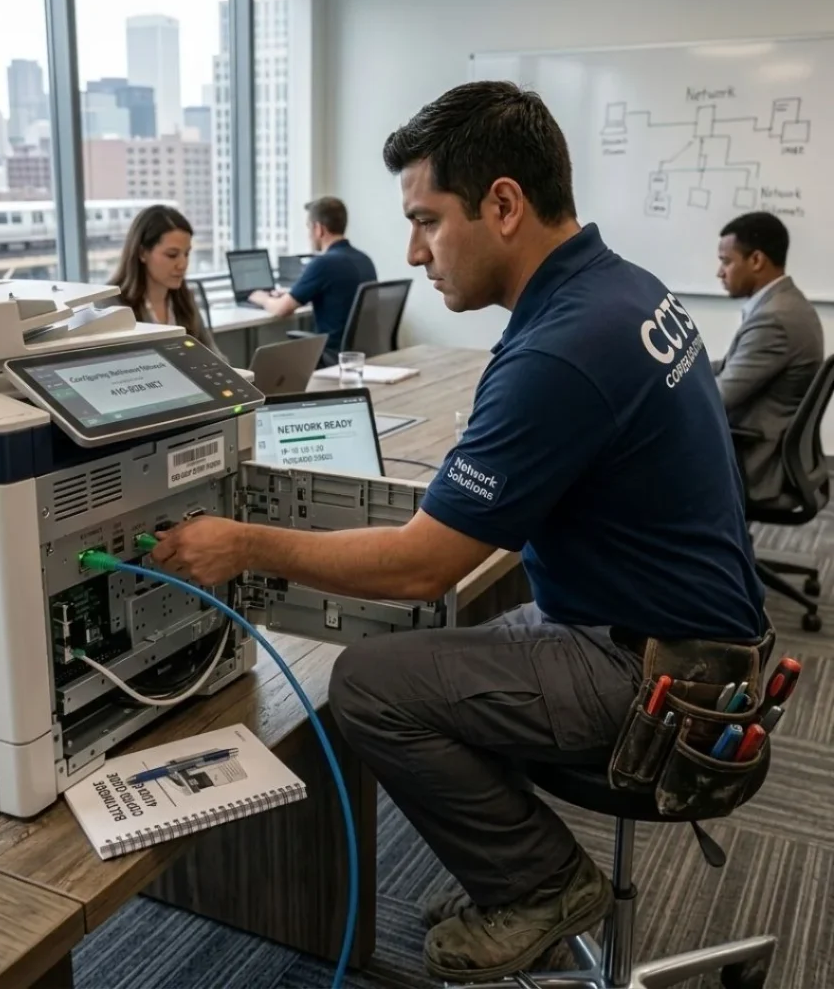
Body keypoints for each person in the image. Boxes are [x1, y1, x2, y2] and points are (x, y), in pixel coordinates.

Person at [147, 82, 767, 981]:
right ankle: (509, 868)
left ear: (504, 205)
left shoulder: (560, 347)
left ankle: (542, 885)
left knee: (369, 683)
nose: (412, 251)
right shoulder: (621, 287)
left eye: (427, 220)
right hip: (698, 640)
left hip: (654, 674)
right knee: (441, 650)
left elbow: (421, 568)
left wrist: (241, 544)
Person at [714, 212, 823, 503]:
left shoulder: (774, 320)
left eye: (726, 261)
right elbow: (731, 366)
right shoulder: (786, 304)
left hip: (753, 460)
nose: (720, 272)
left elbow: (716, 398)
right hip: (764, 447)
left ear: (756, 260)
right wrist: (682, 366)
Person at [248, 196, 377, 362]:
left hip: (334, 356)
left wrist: (262, 298)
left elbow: (281, 309)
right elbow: (341, 297)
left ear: (318, 229)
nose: (308, 234)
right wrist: (293, 293)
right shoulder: (364, 259)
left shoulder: (324, 263)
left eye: (309, 227)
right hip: (362, 355)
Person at [108, 204, 219, 353]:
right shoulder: (110, 306)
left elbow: (213, 356)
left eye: (186, 254)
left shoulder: (185, 300)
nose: (183, 265)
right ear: (142, 253)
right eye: (172, 255)